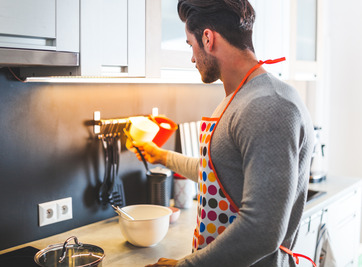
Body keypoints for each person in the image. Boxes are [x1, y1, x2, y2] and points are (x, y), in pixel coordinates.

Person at [127, 0, 315, 266]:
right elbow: (218, 173)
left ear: (207, 38)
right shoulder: (239, 98)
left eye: (190, 45)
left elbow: (262, 230)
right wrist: (161, 156)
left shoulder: (268, 105)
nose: (192, 57)